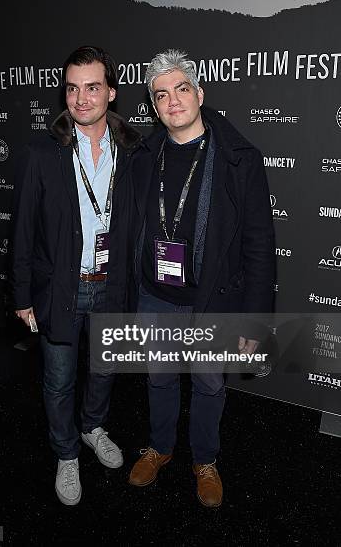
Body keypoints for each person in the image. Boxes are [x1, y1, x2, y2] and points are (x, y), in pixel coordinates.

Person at [128, 49, 275, 507]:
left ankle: (205, 459)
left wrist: (254, 324)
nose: (173, 101)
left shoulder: (239, 160)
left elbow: (259, 246)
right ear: (154, 107)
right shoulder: (143, 157)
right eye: (161, 95)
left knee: (210, 383)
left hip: (213, 300)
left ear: (200, 93)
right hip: (155, 297)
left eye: (182, 89)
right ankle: (161, 447)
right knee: (159, 378)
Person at [11, 45, 142, 506]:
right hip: (62, 288)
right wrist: (24, 295)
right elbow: (23, 229)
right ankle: (66, 453)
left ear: (111, 91)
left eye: (91, 87)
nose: (81, 98)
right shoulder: (42, 152)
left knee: (105, 370)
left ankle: (92, 428)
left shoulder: (133, 151)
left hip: (113, 286)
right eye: (72, 88)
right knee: (58, 379)